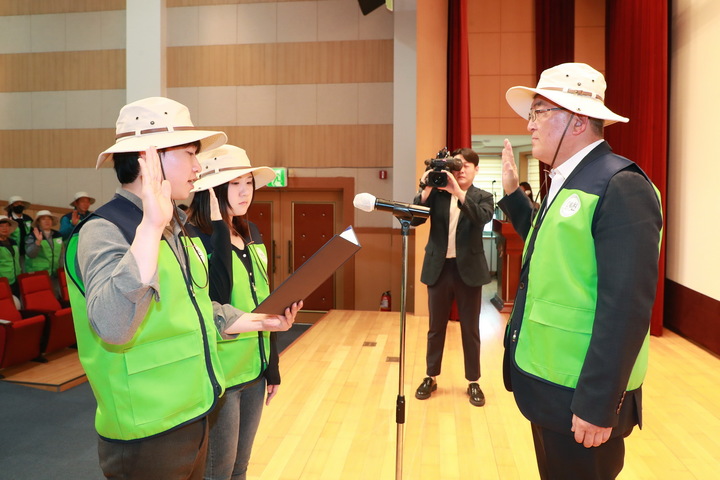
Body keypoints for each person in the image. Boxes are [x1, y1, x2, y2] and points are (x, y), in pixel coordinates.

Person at [63, 96, 300, 480]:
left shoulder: (177, 229)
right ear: (148, 159)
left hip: (194, 411)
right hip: (147, 430)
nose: (198, 166)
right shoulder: (105, 230)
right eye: (189, 154)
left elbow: (197, 311)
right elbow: (113, 324)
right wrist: (151, 226)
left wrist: (261, 321)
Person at [499, 63, 663, 480]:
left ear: (577, 120)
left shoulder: (621, 185)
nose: (529, 125)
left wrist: (597, 403)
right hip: (550, 384)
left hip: (582, 399)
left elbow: (626, 308)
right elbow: (549, 246)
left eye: (539, 112)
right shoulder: (568, 179)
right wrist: (512, 197)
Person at [188, 144, 282, 480]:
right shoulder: (194, 236)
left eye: (248, 183)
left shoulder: (250, 231)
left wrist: (272, 367)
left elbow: (264, 300)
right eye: (234, 184)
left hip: (254, 369)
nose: (245, 192)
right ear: (213, 190)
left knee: (241, 468)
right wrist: (218, 228)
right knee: (219, 471)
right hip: (223, 377)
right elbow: (219, 296)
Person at [412, 147, 494, 406]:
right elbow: (414, 219)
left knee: (470, 329)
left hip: (468, 271)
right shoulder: (436, 194)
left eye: (466, 167)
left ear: (476, 170)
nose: (460, 171)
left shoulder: (483, 196)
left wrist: (458, 193)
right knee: (436, 328)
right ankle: (430, 376)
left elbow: (481, 217)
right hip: (439, 268)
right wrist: (425, 188)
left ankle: (473, 380)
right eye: (457, 167)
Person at [25, 210, 64, 278]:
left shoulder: (58, 235)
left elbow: (62, 254)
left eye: (49, 219)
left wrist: (62, 269)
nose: (47, 221)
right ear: (38, 222)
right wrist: (38, 242)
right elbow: (30, 254)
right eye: (43, 219)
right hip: (38, 274)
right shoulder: (32, 236)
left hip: (55, 273)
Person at [0, 215, 21, 296]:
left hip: (15, 278)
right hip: (3, 281)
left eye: (7, 226)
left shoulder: (13, 242)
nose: (4, 228)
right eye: (1, 226)